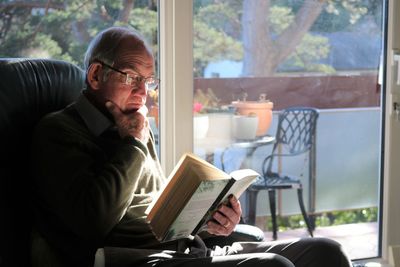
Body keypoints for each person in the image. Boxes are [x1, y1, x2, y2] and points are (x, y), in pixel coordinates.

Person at [30, 26, 352, 267]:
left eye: (149, 81)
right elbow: (93, 222)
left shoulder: (133, 125)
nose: (143, 93)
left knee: (326, 253)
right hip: (136, 260)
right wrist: (133, 144)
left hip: (187, 248)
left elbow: (161, 215)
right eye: (132, 78)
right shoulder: (59, 131)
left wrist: (213, 221)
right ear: (96, 74)